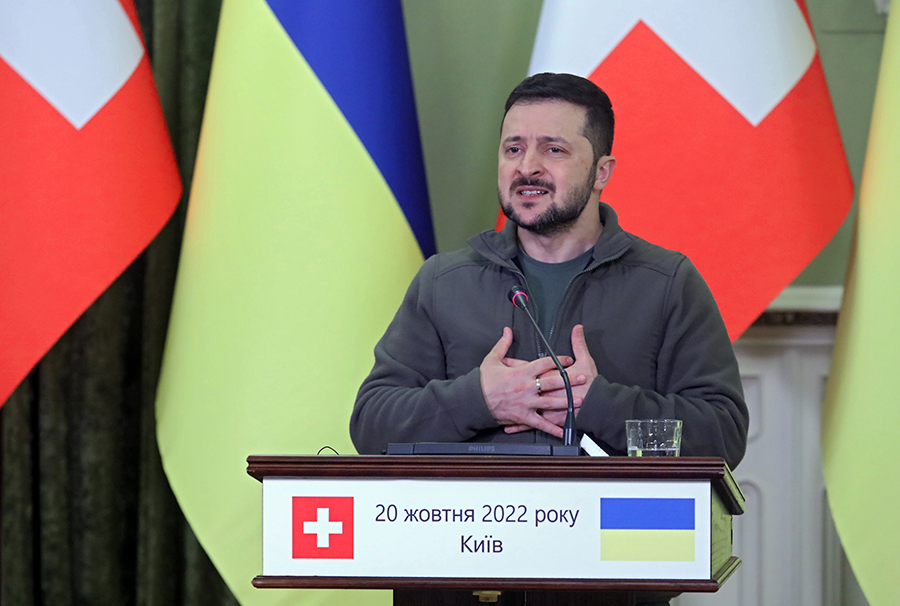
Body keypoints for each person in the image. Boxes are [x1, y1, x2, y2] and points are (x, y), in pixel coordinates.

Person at [350, 73, 748, 471]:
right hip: (473, 529)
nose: (527, 167)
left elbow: (723, 434)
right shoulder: (443, 281)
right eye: (513, 149)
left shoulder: (667, 283)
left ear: (601, 172)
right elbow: (371, 426)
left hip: (612, 527)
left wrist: (598, 405)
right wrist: (480, 399)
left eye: (553, 150)